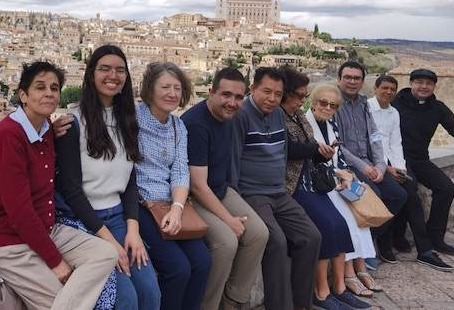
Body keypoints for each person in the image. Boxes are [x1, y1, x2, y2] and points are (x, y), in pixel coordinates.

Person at [0, 61, 118, 310]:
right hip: (6, 240)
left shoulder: (45, 128)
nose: (49, 93)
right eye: (40, 87)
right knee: (57, 301)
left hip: (45, 229)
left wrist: (52, 131)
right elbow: (19, 212)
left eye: (54, 87)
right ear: (23, 95)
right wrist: (55, 261)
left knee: (106, 253)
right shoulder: (8, 136)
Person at [55, 45, 162, 309]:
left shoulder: (128, 120)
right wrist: (109, 241)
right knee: (125, 300)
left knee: (150, 294)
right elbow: (71, 190)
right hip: (84, 222)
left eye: (120, 70)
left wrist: (133, 232)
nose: (112, 75)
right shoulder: (73, 123)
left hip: (118, 217)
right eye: (104, 69)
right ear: (91, 74)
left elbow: (128, 180)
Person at [229, 67, 321, 310]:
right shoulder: (241, 117)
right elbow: (233, 161)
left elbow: (283, 153)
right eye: (266, 92)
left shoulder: (278, 115)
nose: (272, 98)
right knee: (277, 241)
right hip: (252, 193)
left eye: (278, 94)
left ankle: (301, 303)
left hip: (279, 192)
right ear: (253, 89)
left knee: (311, 236)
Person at [279, 68, 368, 310]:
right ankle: (321, 292)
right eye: (298, 96)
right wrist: (318, 151)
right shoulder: (280, 117)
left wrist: (321, 155)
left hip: (312, 183)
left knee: (340, 225)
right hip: (295, 185)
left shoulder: (297, 116)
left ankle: (339, 288)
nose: (301, 101)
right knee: (326, 227)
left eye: (303, 96)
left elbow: (312, 155)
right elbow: (291, 150)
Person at [180, 67, 269, 310]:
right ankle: (206, 305)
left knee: (259, 234)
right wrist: (228, 219)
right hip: (193, 196)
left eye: (239, 97)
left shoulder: (228, 117)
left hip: (219, 189)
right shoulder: (197, 124)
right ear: (211, 92)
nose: (232, 102)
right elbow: (197, 185)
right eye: (226, 95)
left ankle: (232, 301)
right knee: (226, 242)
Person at [135, 62, 212, 310]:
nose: (172, 93)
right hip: (141, 204)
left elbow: (180, 170)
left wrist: (177, 208)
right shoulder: (131, 119)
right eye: (165, 86)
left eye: (177, 88)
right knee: (178, 269)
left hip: (171, 204)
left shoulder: (178, 126)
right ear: (149, 90)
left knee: (202, 262)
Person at [369, 74, 454, 272]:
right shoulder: (371, 108)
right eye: (385, 88)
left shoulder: (394, 112)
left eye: (429, 83)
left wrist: (400, 168)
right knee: (408, 194)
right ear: (375, 88)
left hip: (404, 161)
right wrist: (386, 166)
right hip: (374, 164)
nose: (388, 93)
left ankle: (430, 244)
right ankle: (392, 242)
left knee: (441, 188)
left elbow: (395, 143)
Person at [304, 84, 381, 299]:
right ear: (313, 102)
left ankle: (360, 267)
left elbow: (338, 157)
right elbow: (310, 162)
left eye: (333, 105)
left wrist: (345, 173)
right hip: (319, 185)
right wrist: (339, 173)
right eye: (323, 103)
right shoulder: (306, 126)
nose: (328, 108)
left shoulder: (332, 126)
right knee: (347, 219)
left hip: (337, 181)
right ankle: (348, 274)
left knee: (359, 211)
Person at [333, 61, 406, 269]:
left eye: (357, 78)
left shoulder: (363, 103)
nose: (352, 81)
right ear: (339, 79)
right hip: (347, 165)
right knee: (374, 195)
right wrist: (364, 168)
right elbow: (336, 144)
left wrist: (381, 165)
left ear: (363, 82)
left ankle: (367, 241)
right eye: (348, 77)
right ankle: (362, 250)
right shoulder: (334, 102)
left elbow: (374, 136)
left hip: (369, 163)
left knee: (399, 196)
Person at [391, 68, 454, 257]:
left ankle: (436, 237)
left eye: (429, 83)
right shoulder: (395, 103)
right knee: (409, 191)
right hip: (397, 158)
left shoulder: (438, 107)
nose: (424, 87)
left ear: (434, 86)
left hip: (420, 158)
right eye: (419, 82)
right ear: (411, 83)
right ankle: (397, 237)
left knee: (446, 188)